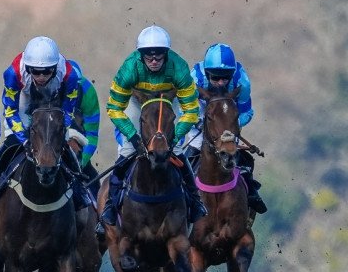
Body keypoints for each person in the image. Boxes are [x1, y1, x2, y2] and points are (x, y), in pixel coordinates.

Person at [101, 25, 206, 227]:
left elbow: (192, 110)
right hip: (136, 101)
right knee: (127, 149)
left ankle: (195, 201)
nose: (154, 61)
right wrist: (133, 136)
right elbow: (114, 108)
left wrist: (174, 137)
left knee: (175, 149)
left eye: (159, 56)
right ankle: (111, 206)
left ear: (166, 54)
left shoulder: (179, 67)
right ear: (141, 56)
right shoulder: (129, 69)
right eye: (149, 57)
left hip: (169, 99)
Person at [0, 36, 90, 210]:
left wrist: (59, 131)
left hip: (53, 103)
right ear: (28, 68)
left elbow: (69, 110)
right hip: (23, 99)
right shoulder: (13, 73)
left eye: (47, 71)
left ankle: (79, 188)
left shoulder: (70, 75)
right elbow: (10, 110)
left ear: (55, 68)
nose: (41, 76)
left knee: (63, 144)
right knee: (10, 142)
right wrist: (24, 137)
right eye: (36, 71)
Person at [185, 42, 266, 214]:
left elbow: (247, 112)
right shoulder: (194, 80)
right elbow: (184, 110)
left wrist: (228, 125)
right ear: (207, 74)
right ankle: (184, 190)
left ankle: (250, 191)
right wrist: (201, 122)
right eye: (215, 77)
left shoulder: (241, 81)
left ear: (232, 73)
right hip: (199, 116)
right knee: (191, 151)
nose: (221, 82)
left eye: (225, 77)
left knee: (238, 155)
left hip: (228, 120)